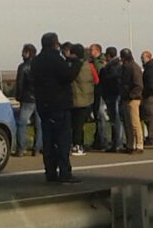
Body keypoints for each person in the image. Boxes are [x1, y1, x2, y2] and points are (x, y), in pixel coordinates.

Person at [31, 32, 83, 183]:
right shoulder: (57, 59)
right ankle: (65, 172)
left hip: (43, 104)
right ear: (55, 43)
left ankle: (50, 172)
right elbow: (67, 76)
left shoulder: (36, 61)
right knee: (62, 140)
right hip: (59, 104)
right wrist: (77, 63)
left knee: (48, 139)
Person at [14, 43, 42, 157]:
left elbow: (20, 84)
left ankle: (21, 149)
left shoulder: (23, 67)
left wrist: (18, 96)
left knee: (22, 124)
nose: (21, 54)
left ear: (28, 53)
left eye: (23, 52)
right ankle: (37, 149)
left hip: (27, 99)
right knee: (39, 125)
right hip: (40, 99)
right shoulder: (41, 65)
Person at [70, 44, 97, 156]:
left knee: (74, 125)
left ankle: (76, 145)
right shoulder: (90, 66)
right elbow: (96, 80)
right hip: (88, 99)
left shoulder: (74, 66)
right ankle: (80, 145)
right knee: (80, 125)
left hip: (75, 98)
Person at [99, 47, 124, 152]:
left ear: (108, 56)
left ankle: (117, 143)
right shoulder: (119, 66)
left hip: (112, 95)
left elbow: (107, 80)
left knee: (116, 120)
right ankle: (117, 142)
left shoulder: (110, 68)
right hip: (115, 94)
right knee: (116, 120)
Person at [120, 48, 144, 154]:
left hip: (133, 98)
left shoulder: (134, 68)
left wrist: (131, 95)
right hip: (127, 97)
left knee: (135, 123)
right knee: (128, 123)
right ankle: (131, 144)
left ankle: (139, 145)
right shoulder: (126, 67)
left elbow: (138, 85)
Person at [89, 44, 109, 150]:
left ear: (97, 51)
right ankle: (98, 139)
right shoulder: (94, 62)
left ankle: (103, 140)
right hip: (96, 92)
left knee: (100, 116)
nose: (90, 52)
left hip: (99, 92)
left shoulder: (99, 63)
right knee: (98, 116)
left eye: (91, 50)